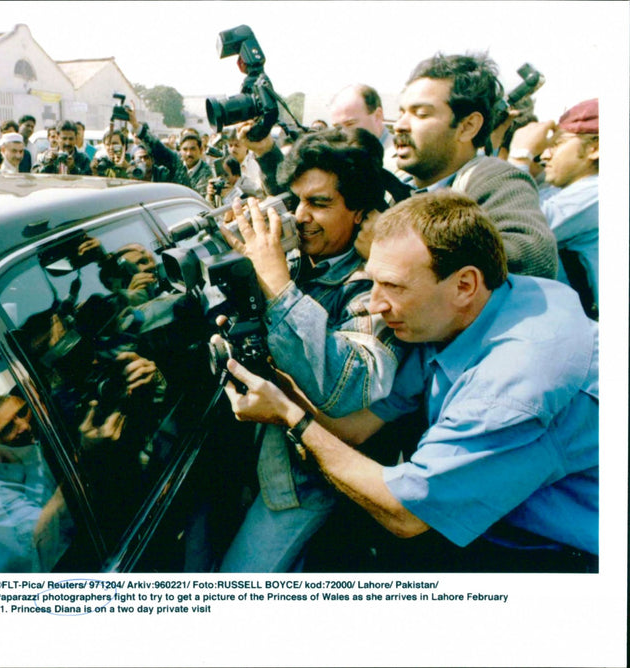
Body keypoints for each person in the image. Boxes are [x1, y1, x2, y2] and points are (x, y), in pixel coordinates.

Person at [221, 190, 598, 573]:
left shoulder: (511, 386)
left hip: (557, 557)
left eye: (394, 287)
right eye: (373, 282)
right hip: (495, 527)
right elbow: (357, 427)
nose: (374, 304)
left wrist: (291, 418)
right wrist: (277, 386)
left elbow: (406, 514)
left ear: (465, 284)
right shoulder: (464, 312)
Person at [218, 128, 409, 572]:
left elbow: (350, 387)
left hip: (304, 484)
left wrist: (275, 282)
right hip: (250, 460)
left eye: (320, 203)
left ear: (361, 214)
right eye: (296, 200)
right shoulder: (297, 258)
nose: (301, 216)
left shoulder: (373, 285)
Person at [392, 52, 558, 279]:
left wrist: (398, 250)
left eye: (421, 114)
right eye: (401, 113)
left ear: (468, 126)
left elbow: (533, 259)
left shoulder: (494, 181)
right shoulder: (395, 187)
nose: (400, 125)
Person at [508, 98, 599, 319]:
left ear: (594, 149)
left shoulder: (599, 191)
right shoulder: (564, 188)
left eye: (557, 144)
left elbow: (519, 226)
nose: (545, 155)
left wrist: (519, 155)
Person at [0, 393, 75, 572]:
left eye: (23, 413)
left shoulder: (36, 447)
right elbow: (41, 539)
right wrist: (86, 456)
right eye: (7, 428)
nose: (24, 425)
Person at [328, 83, 399, 174]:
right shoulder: (337, 160)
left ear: (378, 116)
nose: (342, 133)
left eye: (350, 124)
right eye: (337, 127)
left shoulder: (401, 161)